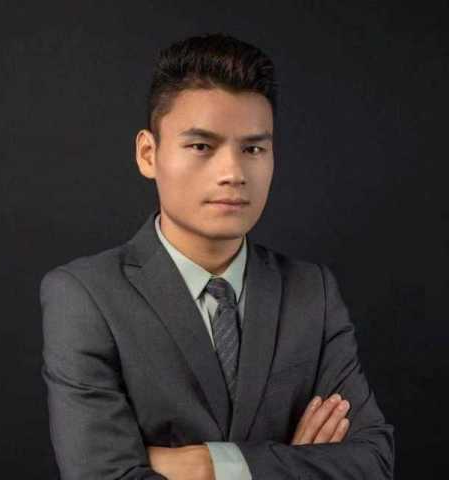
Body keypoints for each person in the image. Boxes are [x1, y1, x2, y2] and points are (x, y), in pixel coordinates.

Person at [40, 33, 395, 479]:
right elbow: (101, 475)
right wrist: (293, 463)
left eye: (253, 149)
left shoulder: (312, 292)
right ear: (148, 154)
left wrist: (212, 465)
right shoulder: (85, 296)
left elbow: (373, 462)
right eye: (201, 146)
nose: (233, 173)